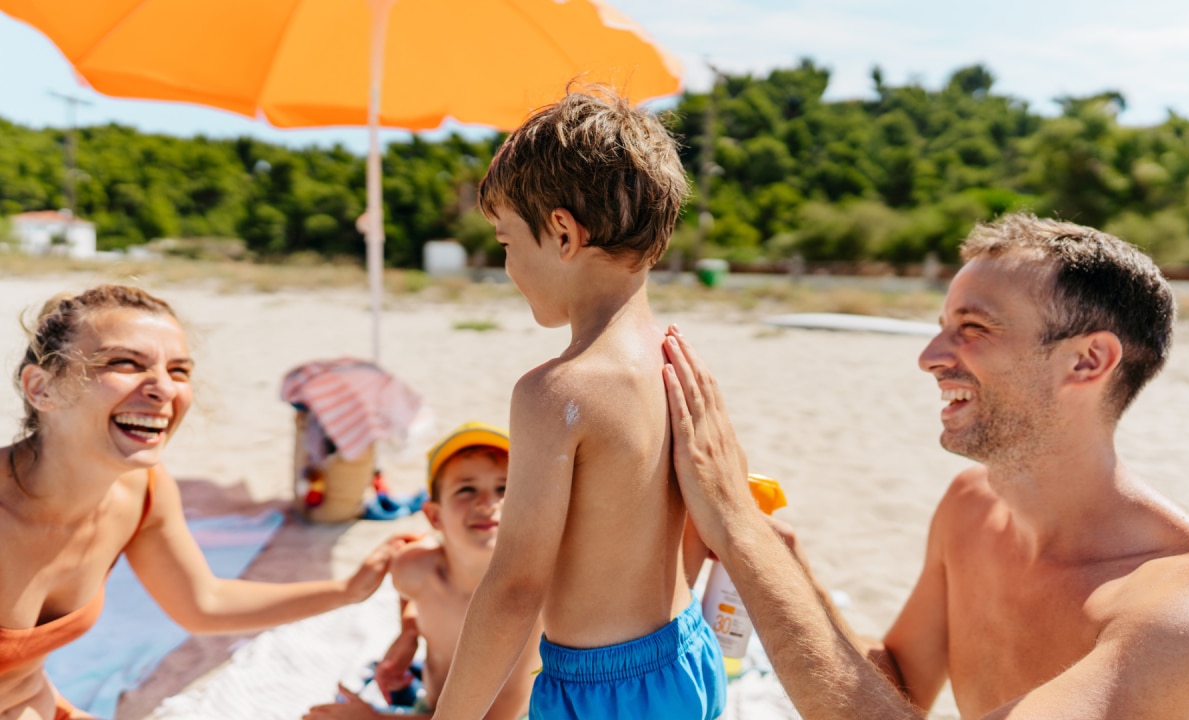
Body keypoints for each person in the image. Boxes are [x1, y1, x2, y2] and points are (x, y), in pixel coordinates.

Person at [661, 213, 1189, 719]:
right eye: (941, 328)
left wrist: (745, 541)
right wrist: (789, 568)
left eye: (974, 328)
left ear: (1088, 361)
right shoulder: (972, 506)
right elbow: (897, 682)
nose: (931, 357)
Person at [431, 87, 726, 720]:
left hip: (602, 690)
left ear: (562, 233)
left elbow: (514, 586)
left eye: (507, 243)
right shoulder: (677, 362)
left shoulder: (556, 394)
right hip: (686, 653)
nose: (507, 266)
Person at [0, 285, 409, 720]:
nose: (163, 389)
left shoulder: (143, 492)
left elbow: (204, 603)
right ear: (41, 389)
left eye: (179, 371)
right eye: (124, 363)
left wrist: (349, 590)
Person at [303, 421, 541, 719]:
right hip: (431, 707)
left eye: (504, 488)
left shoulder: (527, 603)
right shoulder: (415, 569)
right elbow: (408, 590)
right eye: (466, 489)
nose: (487, 503)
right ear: (434, 516)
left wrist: (373, 719)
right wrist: (409, 632)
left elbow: (493, 717)